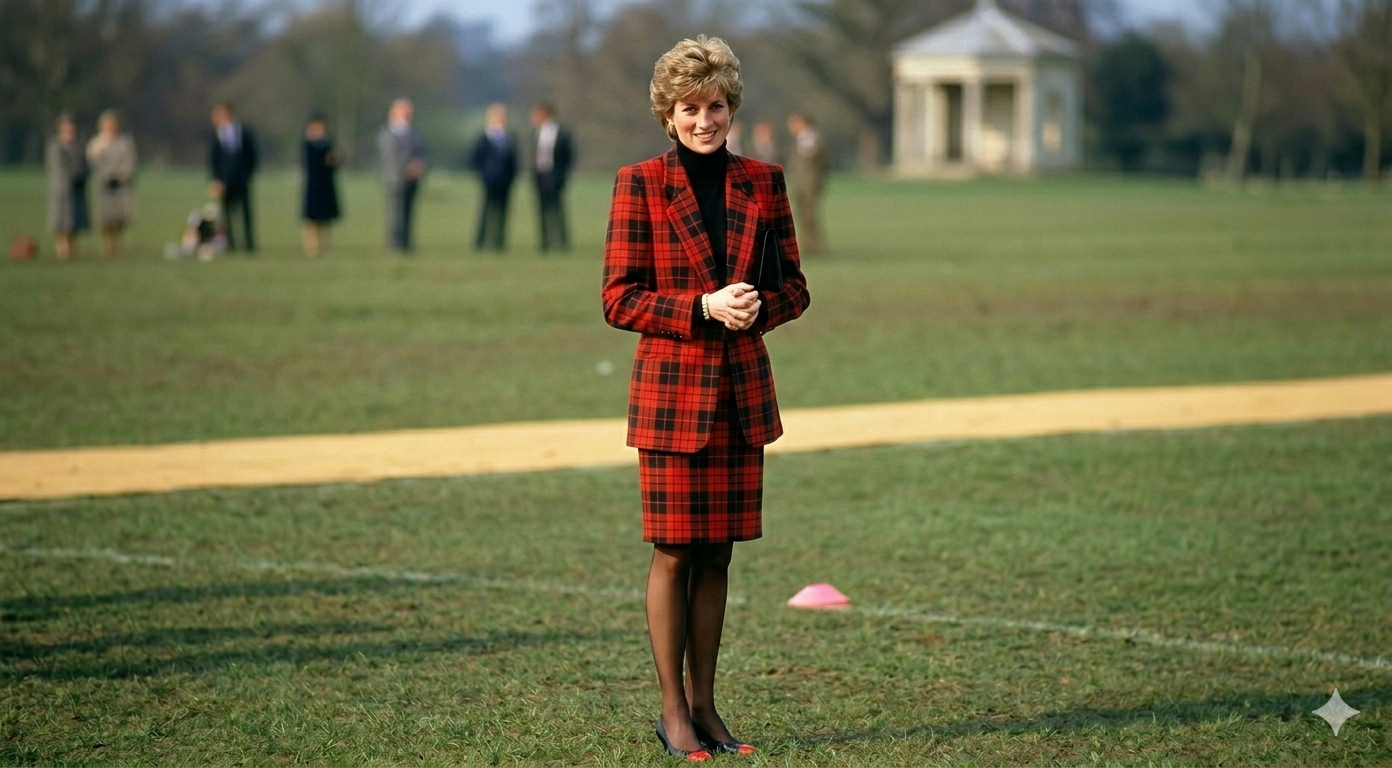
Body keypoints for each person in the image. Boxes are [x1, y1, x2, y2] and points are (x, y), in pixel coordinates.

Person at [602, 35, 810, 761]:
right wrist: (701, 308)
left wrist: (758, 309)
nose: (704, 120)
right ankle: (671, 712)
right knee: (674, 553)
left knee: (719, 555)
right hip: (671, 396)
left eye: (715, 106)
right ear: (668, 114)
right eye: (690, 108)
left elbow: (795, 288)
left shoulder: (765, 181)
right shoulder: (638, 184)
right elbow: (619, 299)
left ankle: (706, 707)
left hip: (740, 394)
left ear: (732, 107)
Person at [378, 98, 427, 253]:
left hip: (413, 179)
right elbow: (389, 156)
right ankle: (394, 242)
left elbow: (423, 153)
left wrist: (419, 165)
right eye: (404, 112)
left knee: (409, 211)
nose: (408, 115)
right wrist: (406, 167)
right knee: (395, 211)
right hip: (395, 178)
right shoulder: (387, 133)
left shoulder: (414, 133)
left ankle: (406, 241)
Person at [208, 103, 259, 254]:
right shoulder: (217, 136)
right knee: (227, 214)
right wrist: (216, 180)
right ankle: (230, 244)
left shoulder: (243, 132)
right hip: (224, 182)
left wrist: (248, 174)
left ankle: (249, 243)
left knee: (246, 212)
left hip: (241, 180)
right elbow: (214, 161)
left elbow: (252, 155)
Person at [87, 109, 137, 258]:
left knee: (119, 217)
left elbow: (130, 162)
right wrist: (107, 175)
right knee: (104, 217)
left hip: (121, 184)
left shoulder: (125, 142)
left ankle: (117, 243)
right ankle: (106, 245)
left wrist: (121, 175)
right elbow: (94, 162)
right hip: (104, 185)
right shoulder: (96, 143)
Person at [470, 102, 518, 253]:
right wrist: (482, 174)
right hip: (488, 180)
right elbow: (475, 158)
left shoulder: (509, 138)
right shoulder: (484, 137)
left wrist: (512, 177)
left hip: (505, 181)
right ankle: (480, 241)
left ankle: (499, 242)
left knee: (502, 212)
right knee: (485, 211)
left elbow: (514, 161)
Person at [530, 101, 574, 253]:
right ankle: (545, 242)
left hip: (555, 176)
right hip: (540, 176)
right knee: (541, 209)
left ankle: (562, 241)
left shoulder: (561, 132)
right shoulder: (537, 133)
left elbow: (568, 156)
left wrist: (561, 176)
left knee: (557, 210)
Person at [46, 113, 89, 260]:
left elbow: (86, 164)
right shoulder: (55, 145)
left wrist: (82, 174)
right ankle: (61, 250)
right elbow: (59, 167)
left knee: (74, 220)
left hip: (77, 188)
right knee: (61, 220)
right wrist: (74, 174)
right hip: (62, 189)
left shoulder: (79, 145)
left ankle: (73, 249)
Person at [786, 113, 828, 255]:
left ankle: (815, 247)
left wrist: (816, 182)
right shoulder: (801, 139)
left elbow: (820, 163)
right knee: (802, 215)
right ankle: (807, 245)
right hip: (800, 184)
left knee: (809, 215)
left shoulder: (811, 138)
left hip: (809, 184)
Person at [301, 113, 341, 257]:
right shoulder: (307, 143)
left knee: (325, 217)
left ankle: (325, 244)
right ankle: (311, 245)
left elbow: (335, 161)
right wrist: (326, 161)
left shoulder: (327, 142)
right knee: (311, 218)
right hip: (313, 184)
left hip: (326, 183)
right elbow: (310, 163)